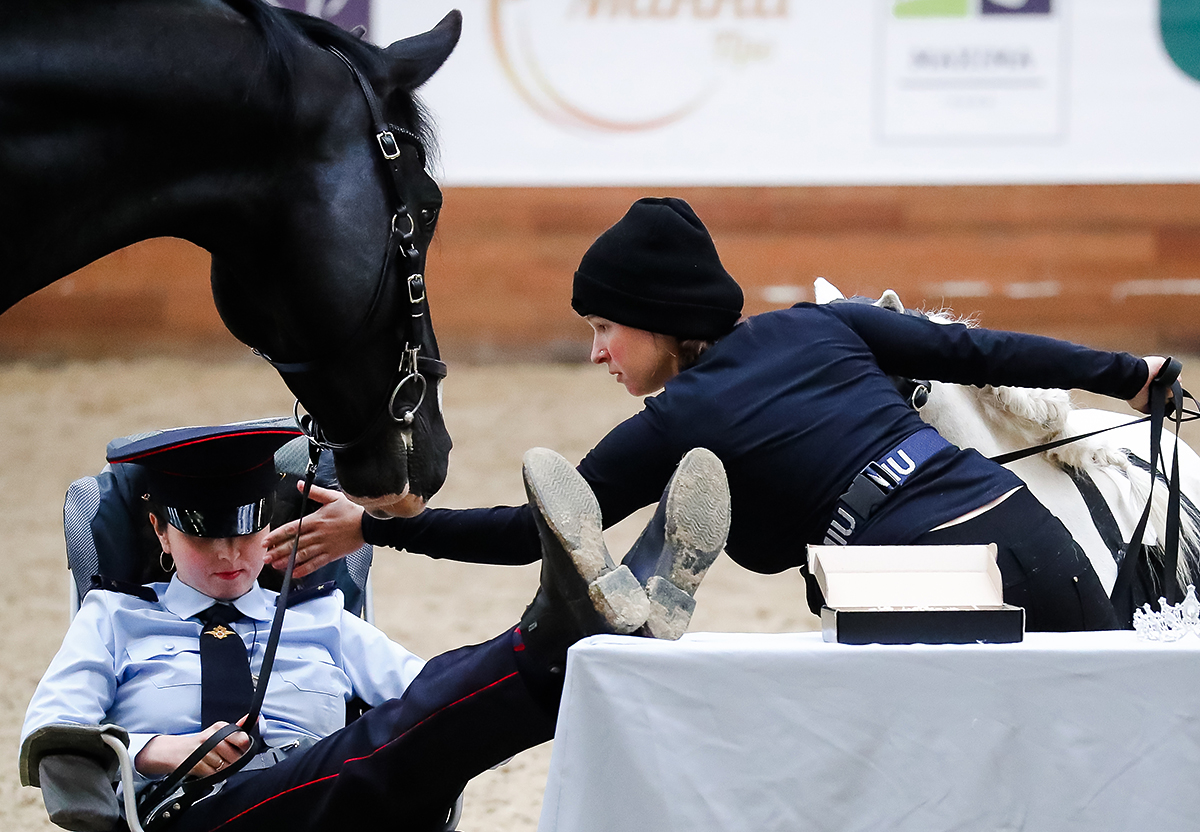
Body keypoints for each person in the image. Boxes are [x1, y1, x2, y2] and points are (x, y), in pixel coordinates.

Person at [264, 197, 1179, 633]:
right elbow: (985, 355)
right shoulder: (820, 325)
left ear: (659, 321)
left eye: (605, 329)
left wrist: (378, 529)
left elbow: (527, 534)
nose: (597, 354)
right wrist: (1130, 375)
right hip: (1016, 522)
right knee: (1113, 748)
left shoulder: (676, 423)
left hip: (901, 572)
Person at [22, 423, 731, 832]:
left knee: (427, 705)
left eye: (246, 532)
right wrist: (155, 750)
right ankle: (581, 637)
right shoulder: (115, 617)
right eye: (203, 538)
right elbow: (51, 730)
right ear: (159, 531)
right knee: (388, 736)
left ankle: (589, 637)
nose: (231, 555)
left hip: (348, 813)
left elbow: (435, 690)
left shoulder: (317, 617)